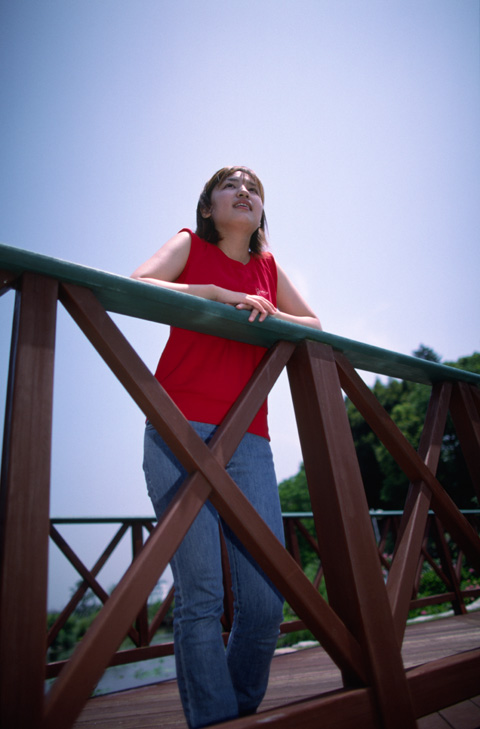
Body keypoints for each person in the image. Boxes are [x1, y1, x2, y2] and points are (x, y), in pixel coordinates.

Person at [131, 166, 321, 728]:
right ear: (208, 207)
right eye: (230, 185)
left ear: (261, 212)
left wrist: (273, 314)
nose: (244, 191)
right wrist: (215, 294)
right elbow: (140, 283)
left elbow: (314, 324)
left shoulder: (269, 267)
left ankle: (236, 710)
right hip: (177, 430)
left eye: (253, 188)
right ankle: (214, 720)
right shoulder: (189, 246)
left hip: (250, 439)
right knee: (202, 597)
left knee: (264, 601)